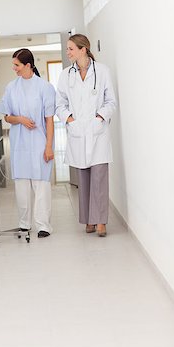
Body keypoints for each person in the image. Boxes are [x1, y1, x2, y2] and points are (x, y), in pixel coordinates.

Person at [56, 34, 116, 237]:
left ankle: (100, 221)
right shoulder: (66, 75)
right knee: (84, 176)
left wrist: (100, 117)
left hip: (97, 131)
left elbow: (111, 101)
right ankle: (88, 221)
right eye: (67, 48)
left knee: (99, 175)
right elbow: (60, 103)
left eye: (71, 48)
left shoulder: (103, 71)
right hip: (78, 132)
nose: (68, 52)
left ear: (83, 49)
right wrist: (69, 120)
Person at [0, 48, 55, 238]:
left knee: (41, 183)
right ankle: (24, 223)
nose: (14, 68)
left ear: (28, 65)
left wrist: (48, 146)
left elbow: (49, 119)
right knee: (22, 183)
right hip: (19, 142)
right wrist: (20, 119)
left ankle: (43, 225)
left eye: (17, 65)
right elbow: (7, 117)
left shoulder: (44, 87)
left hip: (40, 141)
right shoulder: (11, 87)